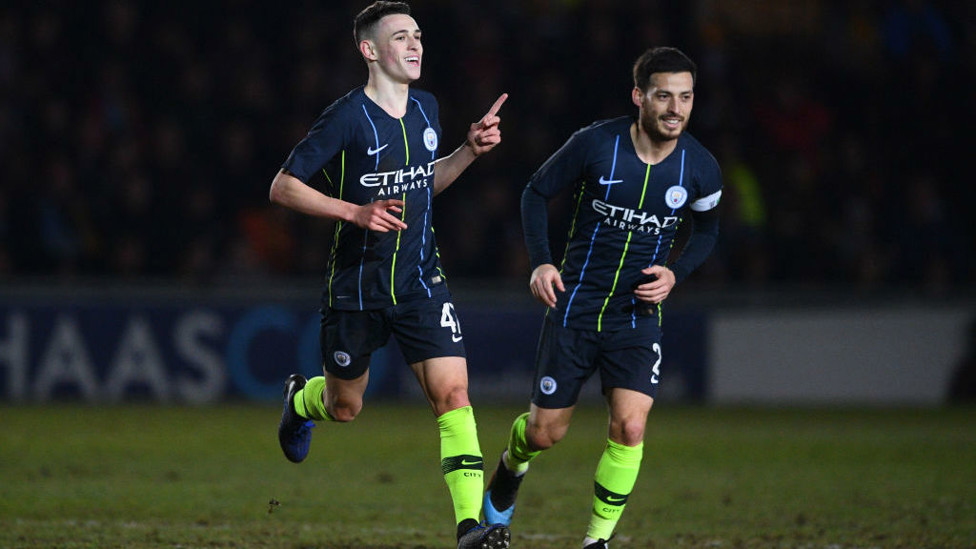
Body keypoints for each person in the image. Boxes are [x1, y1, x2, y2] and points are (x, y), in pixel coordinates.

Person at [269, 3, 510, 548]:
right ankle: (299, 402)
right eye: (401, 37)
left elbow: (426, 182)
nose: (416, 45)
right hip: (358, 286)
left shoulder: (428, 109)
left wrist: (468, 152)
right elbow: (282, 186)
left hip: (423, 280)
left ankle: (471, 529)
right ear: (370, 51)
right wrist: (353, 211)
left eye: (418, 35)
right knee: (345, 406)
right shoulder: (345, 117)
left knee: (453, 396)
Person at [483, 47, 723, 549]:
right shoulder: (596, 144)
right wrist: (542, 261)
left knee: (630, 427)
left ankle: (597, 542)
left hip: (637, 316)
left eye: (685, 97)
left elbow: (706, 229)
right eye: (664, 96)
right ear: (639, 97)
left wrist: (676, 274)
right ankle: (512, 465)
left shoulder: (700, 168)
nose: (675, 108)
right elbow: (534, 192)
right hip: (575, 308)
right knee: (545, 434)